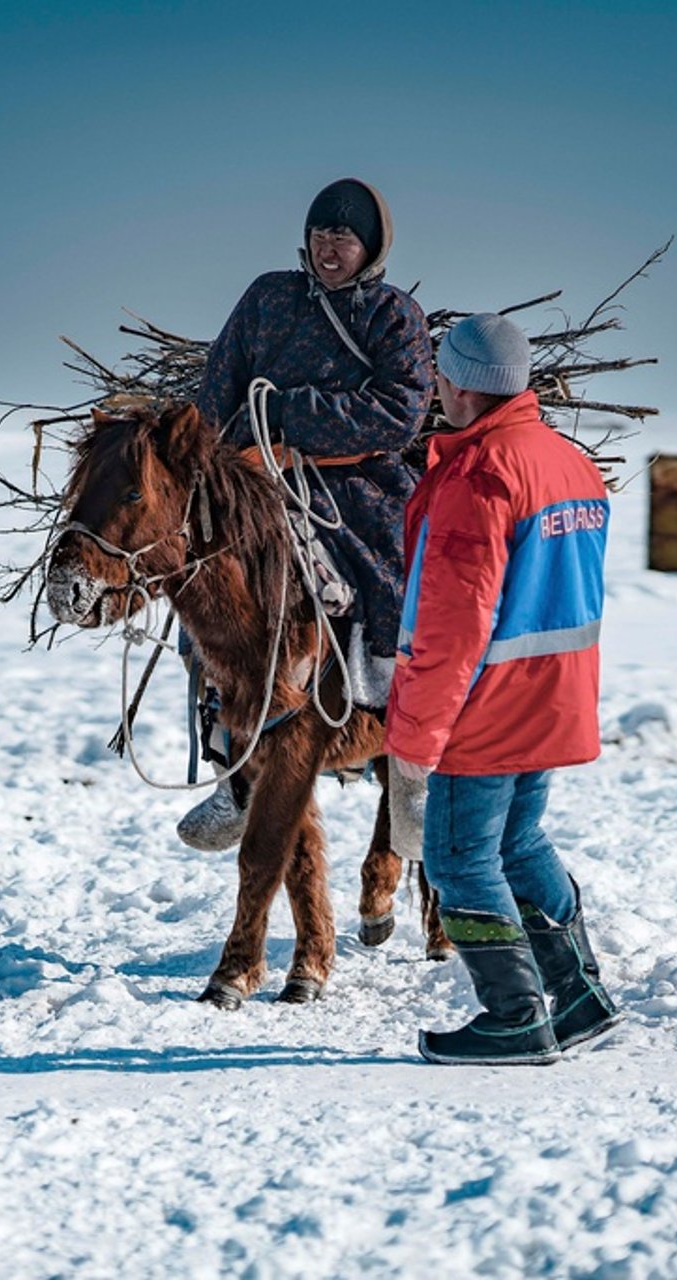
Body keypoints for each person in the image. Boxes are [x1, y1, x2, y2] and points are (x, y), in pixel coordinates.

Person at [385, 313, 620, 1065]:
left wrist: (417, 733)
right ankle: (579, 997)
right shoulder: (567, 462)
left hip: (489, 702)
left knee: (459, 859)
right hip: (556, 692)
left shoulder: (481, 475)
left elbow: (452, 622)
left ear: (455, 383)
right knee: (519, 842)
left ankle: (515, 1016)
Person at [176, 177, 435, 852]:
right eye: (321, 234)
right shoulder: (268, 298)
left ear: (371, 246)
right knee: (204, 592)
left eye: (344, 237)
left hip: (361, 485)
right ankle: (231, 770)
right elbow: (218, 385)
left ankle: (408, 760)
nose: (329, 247)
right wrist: (233, 450)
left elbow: (399, 413)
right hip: (259, 479)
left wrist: (293, 417)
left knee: (400, 591)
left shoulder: (394, 317)